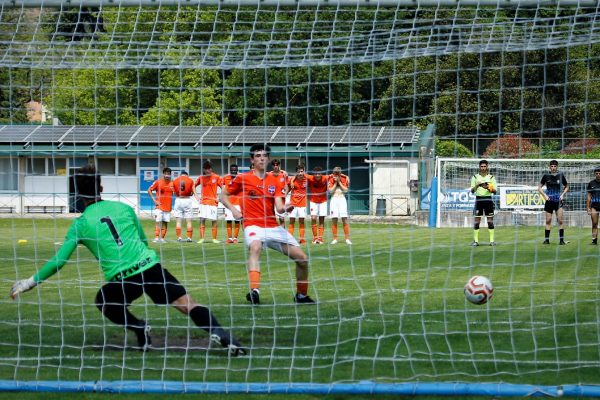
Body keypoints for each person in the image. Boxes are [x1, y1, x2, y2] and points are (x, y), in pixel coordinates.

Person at [10, 164, 245, 356]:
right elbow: (143, 241)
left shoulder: (79, 225)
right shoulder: (123, 208)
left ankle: (139, 326)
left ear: (76, 193)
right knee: (187, 303)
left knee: (104, 301)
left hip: (123, 279)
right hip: (149, 267)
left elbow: (59, 262)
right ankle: (220, 333)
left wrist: (29, 282)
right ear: (101, 187)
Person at [219, 144, 315, 305]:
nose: (261, 158)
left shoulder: (275, 181)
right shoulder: (243, 178)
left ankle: (301, 296)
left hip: (272, 226)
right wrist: (234, 210)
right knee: (255, 248)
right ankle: (255, 291)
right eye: (257, 156)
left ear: (269, 159)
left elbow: (279, 207)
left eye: (264, 155)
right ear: (252, 159)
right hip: (252, 225)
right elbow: (223, 195)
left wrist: (286, 207)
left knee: (302, 259)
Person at [538, 160, 569, 245]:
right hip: (549, 201)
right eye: (551, 166)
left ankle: (561, 241)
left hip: (558, 202)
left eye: (555, 166)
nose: (553, 168)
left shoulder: (561, 175)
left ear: (557, 167)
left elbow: (567, 186)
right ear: (549, 167)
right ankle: (546, 240)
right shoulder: (546, 176)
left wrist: (563, 194)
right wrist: (545, 196)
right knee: (548, 221)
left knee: (560, 221)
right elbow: (539, 188)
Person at [193, 161, 222, 244]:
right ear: (204, 169)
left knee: (214, 220)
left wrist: (219, 197)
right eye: (206, 168)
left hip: (213, 202)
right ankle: (202, 238)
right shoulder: (201, 178)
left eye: (209, 168)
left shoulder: (216, 177)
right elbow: (193, 186)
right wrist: (196, 196)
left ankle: (214, 239)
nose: (208, 170)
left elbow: (223, 187)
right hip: (203, 202)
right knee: (202, 220)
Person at [470, 159, 497, 246]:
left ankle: (492, 241)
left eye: (484, 166)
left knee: (490, 221)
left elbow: (495, 191)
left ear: (487, 167)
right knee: (477, 221)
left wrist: (489, 188)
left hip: (488, 200)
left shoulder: (491, 177)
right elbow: (472, 191)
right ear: (479, 167)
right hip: (479, 200)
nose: (483, 168)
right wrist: (477, 185)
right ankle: (476, 241)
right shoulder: (475, 177)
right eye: (481, 166)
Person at [147, 167, 174, 243]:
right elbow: (149, 190)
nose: (167, 175)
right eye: (166, 173)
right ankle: (156, 237)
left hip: (168, 207)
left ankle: (162, 238)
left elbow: (178, 192)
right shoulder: (158, 182)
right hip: (159, 206)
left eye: (168, 174)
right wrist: (154, 200)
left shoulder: (172, 183)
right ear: (163, 174)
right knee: (158, 221)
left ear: (170, 175)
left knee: (165, 223)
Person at [328, 166, 352, 245]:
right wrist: (335, 182)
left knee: (344, 219)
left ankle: (347, 239)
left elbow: (345, 190)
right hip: (334, 199)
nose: (336, 175)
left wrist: (339, 182)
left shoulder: (345, 178)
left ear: (340, 173)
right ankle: (335, 239)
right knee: (334, 219)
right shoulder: (330, 178)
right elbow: (331, 191)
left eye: (338, 173)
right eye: (335, 173)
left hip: (342, 199)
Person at [287, 164, 309, 244]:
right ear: (296, 172)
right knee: (291, 221)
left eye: (302, 171)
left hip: (302, 204)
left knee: (301, 221)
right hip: (293, 204)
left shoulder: (307, 178)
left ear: (304, 171)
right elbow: (288, 188)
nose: (300, 173)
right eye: (299, 171)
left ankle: (302, 239)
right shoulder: (292, 179)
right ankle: (289, 239)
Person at [172, 171, 195, 242]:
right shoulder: (190, 180)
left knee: (178, 221)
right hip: (187, 200)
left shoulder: (175, 181)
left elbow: (174, 192)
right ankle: (189, 238)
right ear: (187, 175)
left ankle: (179, 237)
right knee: (189, 221)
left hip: (178, 200)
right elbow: (192, 192)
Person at [307, 166, 328, 244]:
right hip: (313, 201)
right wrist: (292, 181)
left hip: (323, 201)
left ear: (321, 174)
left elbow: (336, 174)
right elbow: (300, 174)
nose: (317, 175)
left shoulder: (326, 178)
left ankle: (320, 238)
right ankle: (315, 238)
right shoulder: (310, 178)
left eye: (319, 174)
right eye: (316, 174)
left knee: (321, 219)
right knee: (313, 218)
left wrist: (346, 176)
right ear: (313, 174)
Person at [222, 164, 242, 244]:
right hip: (228, 203)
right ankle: (230, 238)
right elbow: (223, 189)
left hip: (238, 203)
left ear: (237, 170)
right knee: (229, 220)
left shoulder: (241, 178)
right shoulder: (225, 178)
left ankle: (235, 238)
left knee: (237, 221)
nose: (233, 171)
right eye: (232, 170)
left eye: (235, 170)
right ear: (230, 170)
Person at [268, 159, 289, 227]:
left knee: (282, 218)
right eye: (274, 165)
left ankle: (282, 236)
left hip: (281, 199)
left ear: (279, 165)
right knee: (271, 218)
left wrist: (285, 194)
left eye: (277, 165)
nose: (275, 166)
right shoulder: (268, 175)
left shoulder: (284, 175)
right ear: (272, 166)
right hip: (271, 200)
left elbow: (287, 186)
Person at [586, 167, 600, 245]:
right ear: (595, 174)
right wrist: (588, 207)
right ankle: (594, 241)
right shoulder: (591, 183)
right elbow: (588, 196)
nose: (598, 175)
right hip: (594, 206)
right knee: (594, 223)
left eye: (599, 173)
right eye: (597, 173)